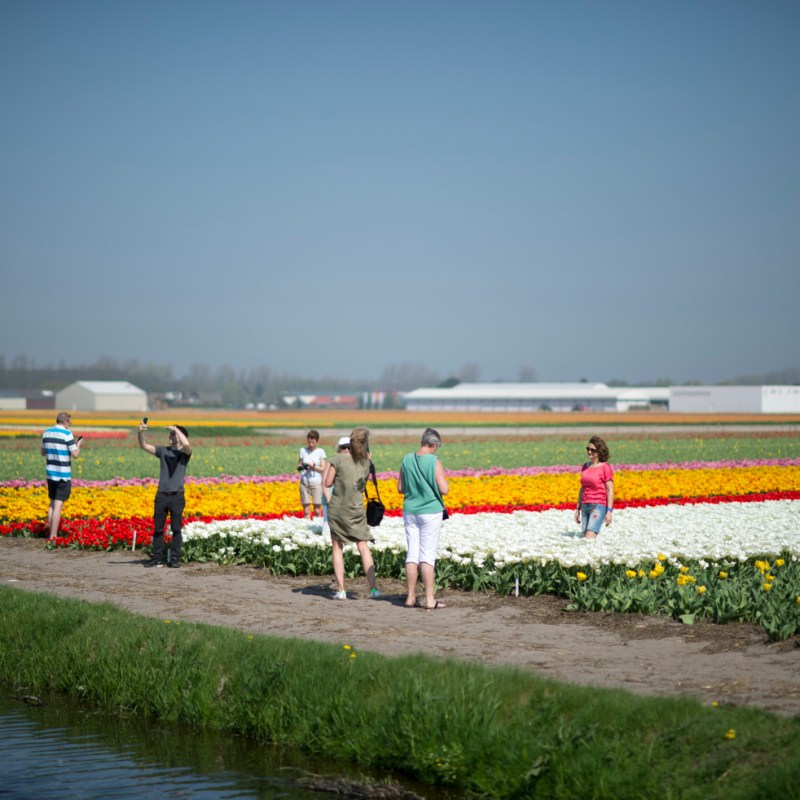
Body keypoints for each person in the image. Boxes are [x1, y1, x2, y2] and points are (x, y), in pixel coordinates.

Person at [323, 426, 381, 600]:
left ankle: (341, 590)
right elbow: (363, 482)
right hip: (356, 510)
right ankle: (374, 589)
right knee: (363, 546)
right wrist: (368, 460)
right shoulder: (366, 462)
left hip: (338, 508)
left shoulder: (338, 458)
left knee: (337, 548)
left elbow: (327, 483)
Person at [397, 427, 449, 610]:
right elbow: (444, 489)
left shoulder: (406, 459)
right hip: (430, 511)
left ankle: (410, 597)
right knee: (427, 556)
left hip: (410, 511)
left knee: (412, 554)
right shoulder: (434, 461)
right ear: (434, 444)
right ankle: (429, 599)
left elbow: (400, 488)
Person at [138, 421, 192, 567]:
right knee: (158, 529)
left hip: (177, 496)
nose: (170, 435)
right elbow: (144, 445)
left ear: (180, 437)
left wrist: (176, 429)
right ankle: (157, 558)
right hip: (161, 495)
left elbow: (187, 445)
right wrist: (140, 432)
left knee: (176, 530)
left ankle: (174, 560)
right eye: (170, 433)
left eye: (173, 433)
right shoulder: (162, 451)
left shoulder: (184, 453)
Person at [40, 412, 83, 539]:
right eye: (69, 422)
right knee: (58, 504)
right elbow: (75, 454)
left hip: (50, 473)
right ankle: (53, 536)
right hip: (62, 474)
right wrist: (78, 445)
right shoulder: (67, 434)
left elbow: (43, 452)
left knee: (52, 503)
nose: (70, 424)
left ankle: (50, 533)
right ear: (65, 422)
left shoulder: (46, 432)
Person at [574, 435, 614, 540]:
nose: (589, 452)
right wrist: (578, 508)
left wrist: (609, 511)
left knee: (589, 538)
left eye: (593, 450)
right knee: (585, 539)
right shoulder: (585, 467)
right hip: (585, 506)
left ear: (599, 451)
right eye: (588, 449)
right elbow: (582, 489)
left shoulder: (605, 467)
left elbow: (610, 490)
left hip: (598, 507)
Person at [297, 430, 327, 520]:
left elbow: (323, 469)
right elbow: (298, 465)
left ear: (317, 442)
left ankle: (317, 528)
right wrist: (302, 467)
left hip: (316, 483)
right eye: (309, 442)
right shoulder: (302, 450)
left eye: (313, 442)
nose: (311, 444)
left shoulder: (320, 452)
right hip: (304, 482)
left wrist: (313, 466)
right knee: (306, 510)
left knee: (317, 510)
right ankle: (306, 529)